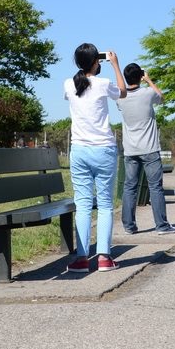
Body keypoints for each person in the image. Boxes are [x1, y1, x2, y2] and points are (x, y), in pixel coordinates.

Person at [64, 43, 126, 273]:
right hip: (103, 150)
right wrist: (116, 65)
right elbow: (123, 91)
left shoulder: (68, 85)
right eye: (98, 60)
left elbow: (77, 89)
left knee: (82, 205)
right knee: (106, 205)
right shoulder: (103, 84)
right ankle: (104, 258)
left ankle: (81, 258)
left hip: (79, 151)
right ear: (95, 62)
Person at [116, 63, 175, 235]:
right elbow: (162, 96)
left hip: (130, 150)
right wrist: (149, 79)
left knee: (130, 187)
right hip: (149, 148)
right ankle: (162, 226)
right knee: (155, 187)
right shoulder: (147, 93)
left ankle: (129, 227)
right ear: (140, 76)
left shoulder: (119, 98)